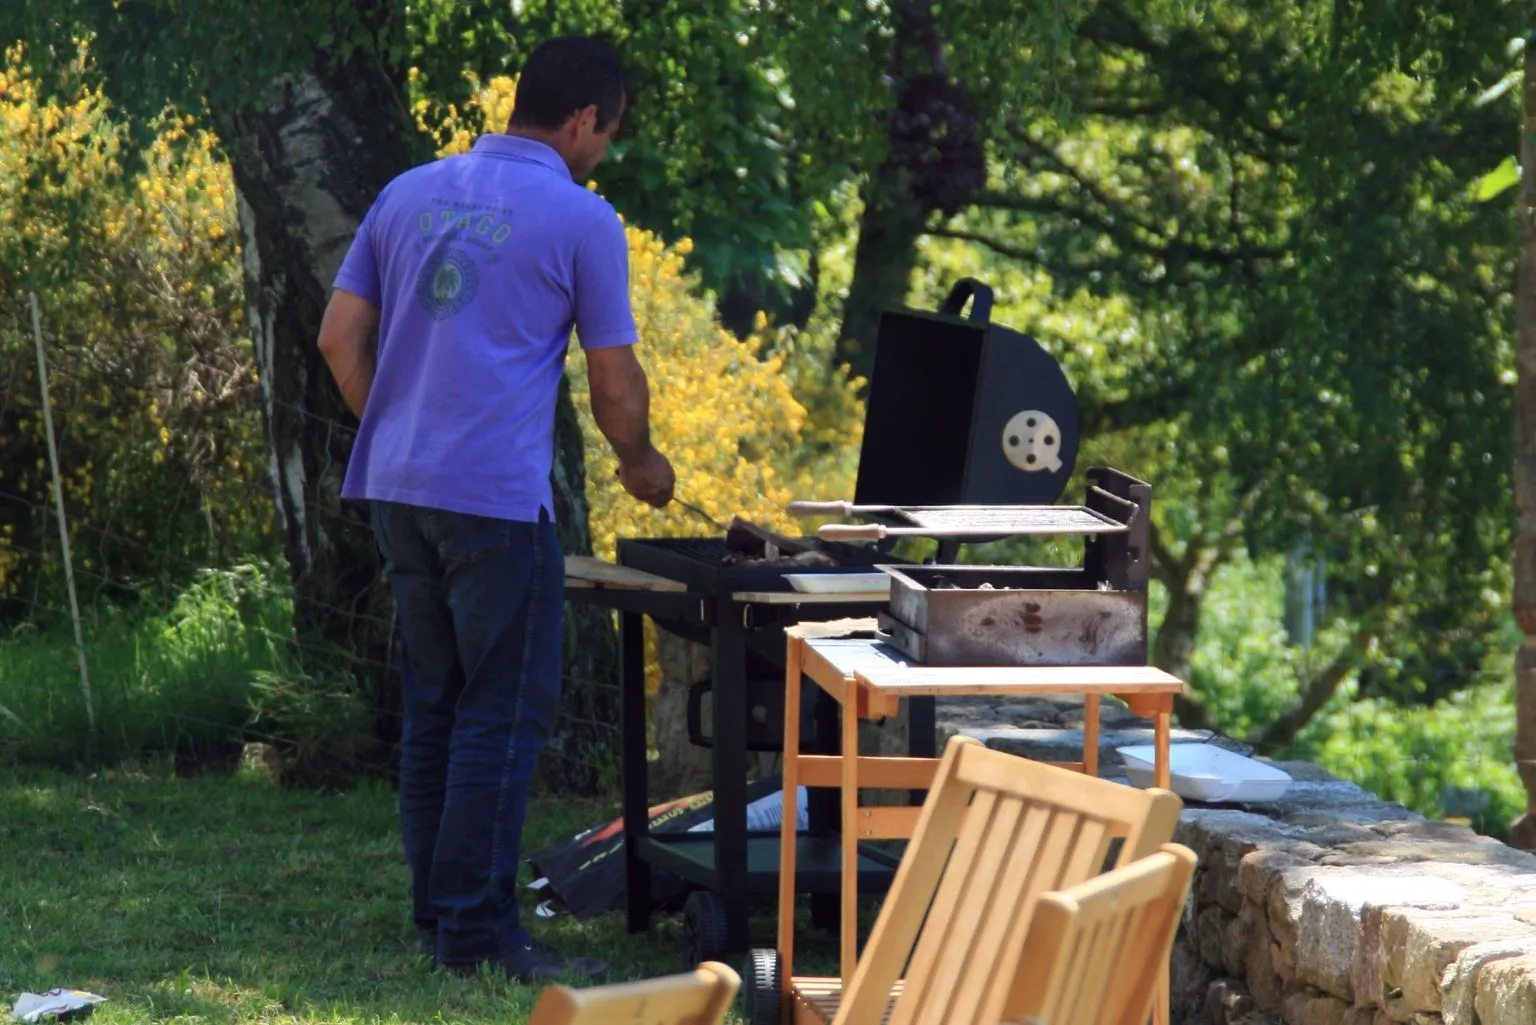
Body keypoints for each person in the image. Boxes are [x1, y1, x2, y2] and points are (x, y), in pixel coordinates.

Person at [314, 34, 675, 983]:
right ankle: (477, 933)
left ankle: (439, 914)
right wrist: (641, 465)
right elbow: (613, 385)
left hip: (398, 485)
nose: (604, 153)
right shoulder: (579, 218)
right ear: (585, 119)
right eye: (609, 134)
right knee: (503, 712)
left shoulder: (408, 192)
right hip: (495, 505)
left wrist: (402, 430)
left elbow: (337, 336)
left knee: (436, 704)